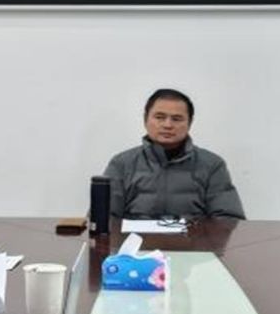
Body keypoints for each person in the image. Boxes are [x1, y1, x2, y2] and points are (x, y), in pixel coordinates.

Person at [102, 87, 245, 221]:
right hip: (136, 239)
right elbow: (104, 218)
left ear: (189, 123)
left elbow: (229, 220)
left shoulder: (212, 165)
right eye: (159, 117)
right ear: (145, 120)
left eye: (176, 119)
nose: (168, 125)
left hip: (193, 239)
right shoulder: (122, 164)